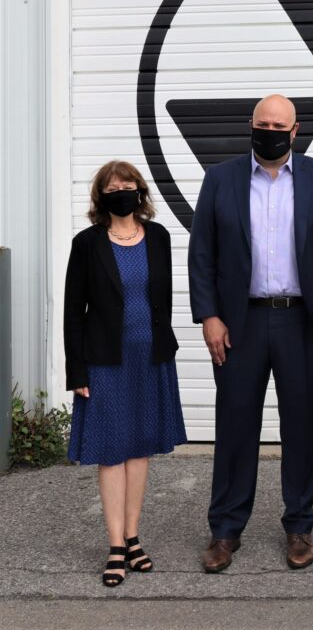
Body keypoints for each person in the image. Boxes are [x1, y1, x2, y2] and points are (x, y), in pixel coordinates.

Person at [188, 94, 313, 573]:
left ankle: (299, 525)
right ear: (251, 126)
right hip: (241, 323)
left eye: (280, 124)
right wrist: (210, 316)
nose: (271, 131)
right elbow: (203, 254)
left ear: (296, 130)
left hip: (304, 321)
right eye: (264, 123)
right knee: (235, 425)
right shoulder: (220, 179)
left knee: (303, 424)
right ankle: (225, 530)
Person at [64, 160, 187, 587]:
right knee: (111, 452)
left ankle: (134, 536)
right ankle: (115, 545)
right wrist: (76, 369)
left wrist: (162, 347)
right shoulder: (87, 244)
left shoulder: (159, 237)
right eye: (113, 186)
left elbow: (163, 301)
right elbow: (72, 313)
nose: (121, 190)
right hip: (104, 362)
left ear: (140, 191)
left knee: (138, 449)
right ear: (101, 195)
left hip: (149, 358)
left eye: (128, 184)